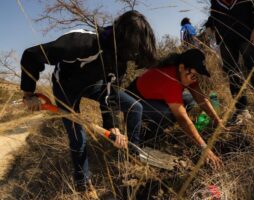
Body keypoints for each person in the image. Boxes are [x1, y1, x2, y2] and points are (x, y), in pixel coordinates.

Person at [20, 10, 156, 196]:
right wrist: (29, 94)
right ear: (124, 42)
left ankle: (132, 156)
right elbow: (30, 55)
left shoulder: (120, 62)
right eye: (132, 53)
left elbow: (110, 96)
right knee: (78, 138)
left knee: (135, 107)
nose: (131, 59)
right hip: (66, 87)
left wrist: (113, 126)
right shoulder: (81, 42)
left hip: (95, 85)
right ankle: (83, 185)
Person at [124, 49, 225, 170]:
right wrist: (205, 149)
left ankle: (157, 129)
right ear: (182, 67)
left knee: (189, 101)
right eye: (193, 75)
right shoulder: (170, 80)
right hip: (135, 100)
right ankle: (146, 138)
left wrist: (217, 120)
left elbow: (200, 97)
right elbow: (182, 118)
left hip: (154, 97)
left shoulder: (185, 73)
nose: (195, 79)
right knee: (167, 113)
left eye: (197, 76)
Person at [205, 0, 254, 126]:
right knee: (232, 73)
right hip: (225, 38)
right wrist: (209, 25)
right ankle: (241, 110)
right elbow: (215, 12)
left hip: (248, 33)